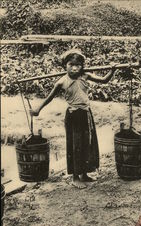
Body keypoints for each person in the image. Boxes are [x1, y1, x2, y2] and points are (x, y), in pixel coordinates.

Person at [30, 49, 117, 189]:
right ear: (65, 65)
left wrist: (112, 70)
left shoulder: (85, 76)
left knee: (87, 144)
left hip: (86, 113)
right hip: (73, 116)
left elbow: (104, 80)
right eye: (71, 64)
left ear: (82, 66)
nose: (74, 68)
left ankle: (84, 174)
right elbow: (49, 98)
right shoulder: (62, 82)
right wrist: (38, 109)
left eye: (78, 65)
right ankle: (75, 177)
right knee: (75, 146)